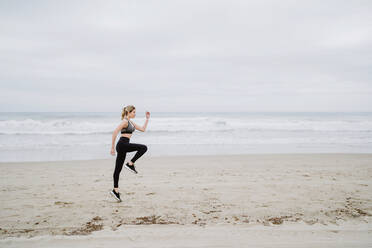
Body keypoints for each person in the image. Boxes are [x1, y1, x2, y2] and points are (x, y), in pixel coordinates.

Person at [109, 105, 150, 202]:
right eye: (134, 112)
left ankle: (115, 190)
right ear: (128, 112)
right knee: (143, 148)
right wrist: (112, 147)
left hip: (124, 145)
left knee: (118, 169)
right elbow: (115, 132)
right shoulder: (125, 121)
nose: (135, 114)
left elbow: (143, 129)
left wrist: (147, 119)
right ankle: (130, 164)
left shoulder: (131, 122)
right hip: (122, 144)